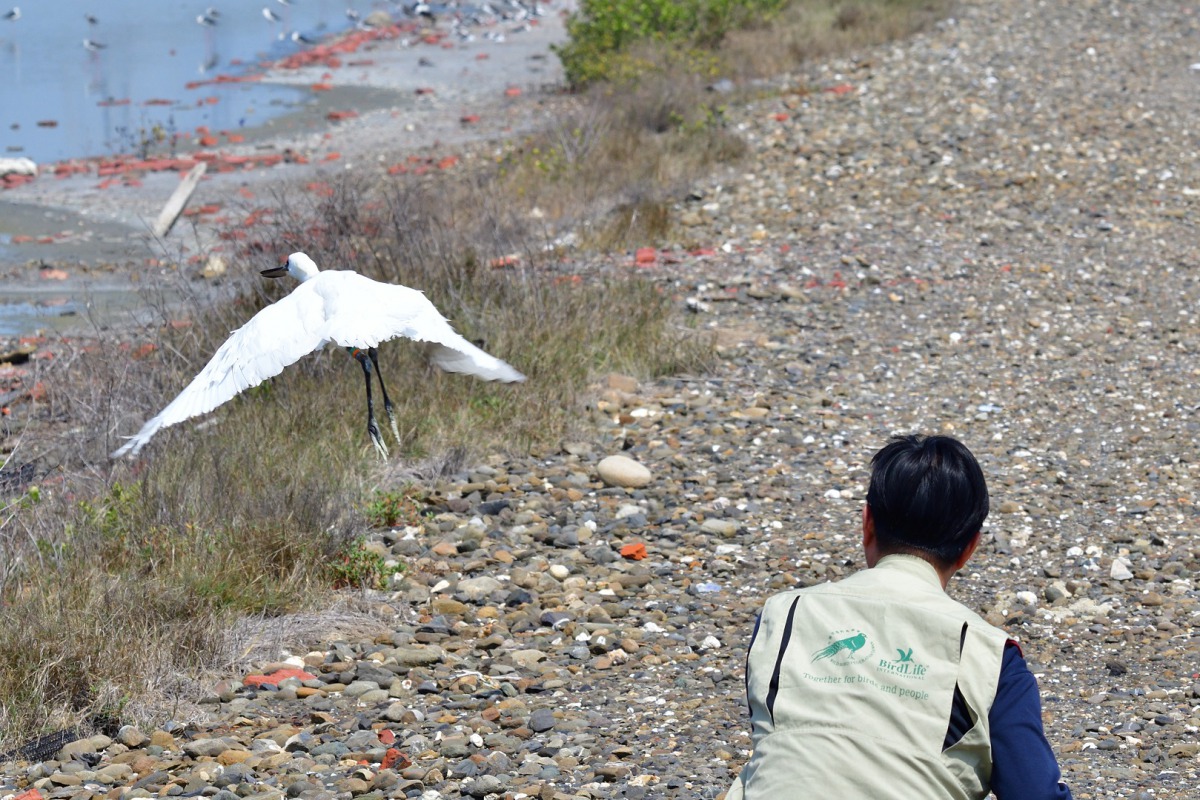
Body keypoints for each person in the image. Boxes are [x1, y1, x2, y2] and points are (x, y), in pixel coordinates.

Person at [725, 434, 1072, 799]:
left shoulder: (782, 615)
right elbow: (1035, 791)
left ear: (867, 523)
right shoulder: (989, 655)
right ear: (971, 546)